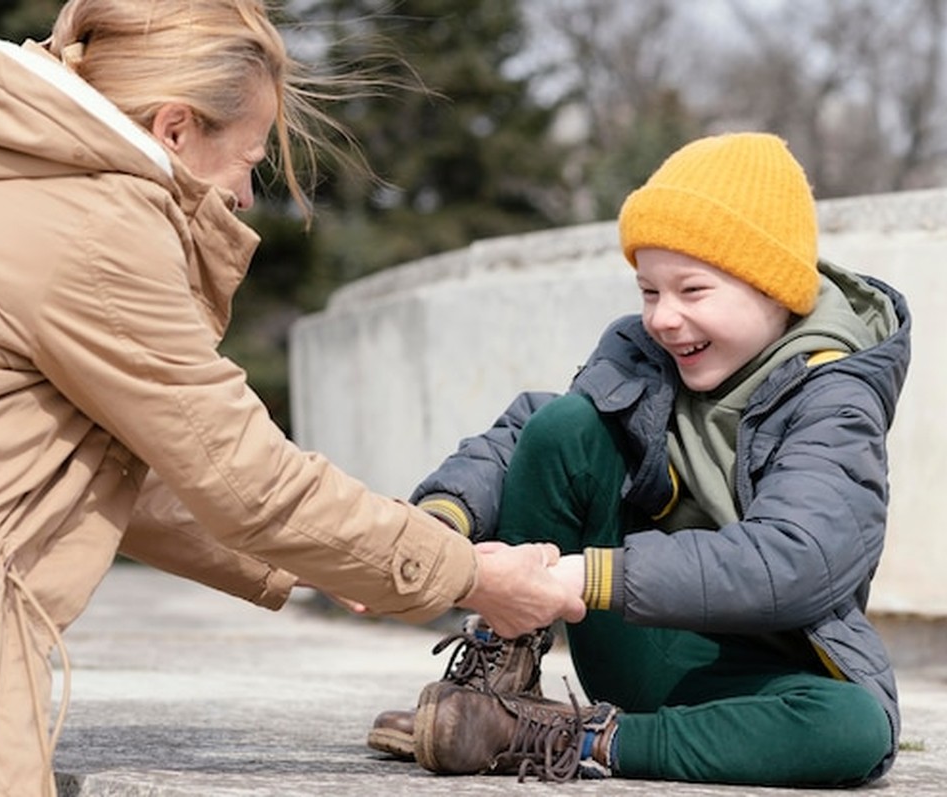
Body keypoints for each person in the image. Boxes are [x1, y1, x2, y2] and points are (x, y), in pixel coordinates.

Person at [0, 2, 585, 795]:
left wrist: (340, 559)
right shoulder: (91, 219)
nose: (243, 196)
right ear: (174, 129)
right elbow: (242, 475)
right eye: (247, 159)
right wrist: (471, 578)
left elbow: (124, 463)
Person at [367, 132, 911, 787]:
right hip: (640, 640)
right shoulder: (644, 356)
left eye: (692, 289)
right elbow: (527, 436)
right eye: (649, 291)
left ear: (773, 288)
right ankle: (496, 683)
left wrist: (582, 577)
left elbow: (799, 559)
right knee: (565, 424)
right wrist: (437, 521)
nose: (663, 317)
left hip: (758, 676)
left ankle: (563, 734)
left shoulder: (834, 399)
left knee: (853, 727)